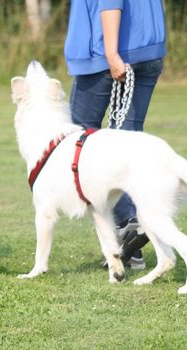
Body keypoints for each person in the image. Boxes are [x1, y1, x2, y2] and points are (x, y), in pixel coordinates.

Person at [64, 0, 166, 269]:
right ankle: (133, 242)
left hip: (108, 55)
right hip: (147, 50)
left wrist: (111, 53)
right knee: (128, 145)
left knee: (79, 140)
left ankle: (127, 225)